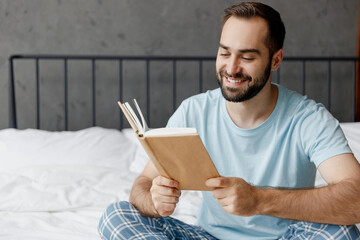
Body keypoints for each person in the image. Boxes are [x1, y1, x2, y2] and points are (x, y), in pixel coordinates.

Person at [98, 2, 360, 239]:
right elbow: (142, 184)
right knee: (117, 215)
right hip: (207, 236)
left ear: (275, 60)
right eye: (225, 53)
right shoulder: (193, 111)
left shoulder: (308, 118)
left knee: (341, 232)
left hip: (288, 236)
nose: (232, 68)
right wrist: (153, 201)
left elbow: (357, 198)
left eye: (247, 57)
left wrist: (259, 200)